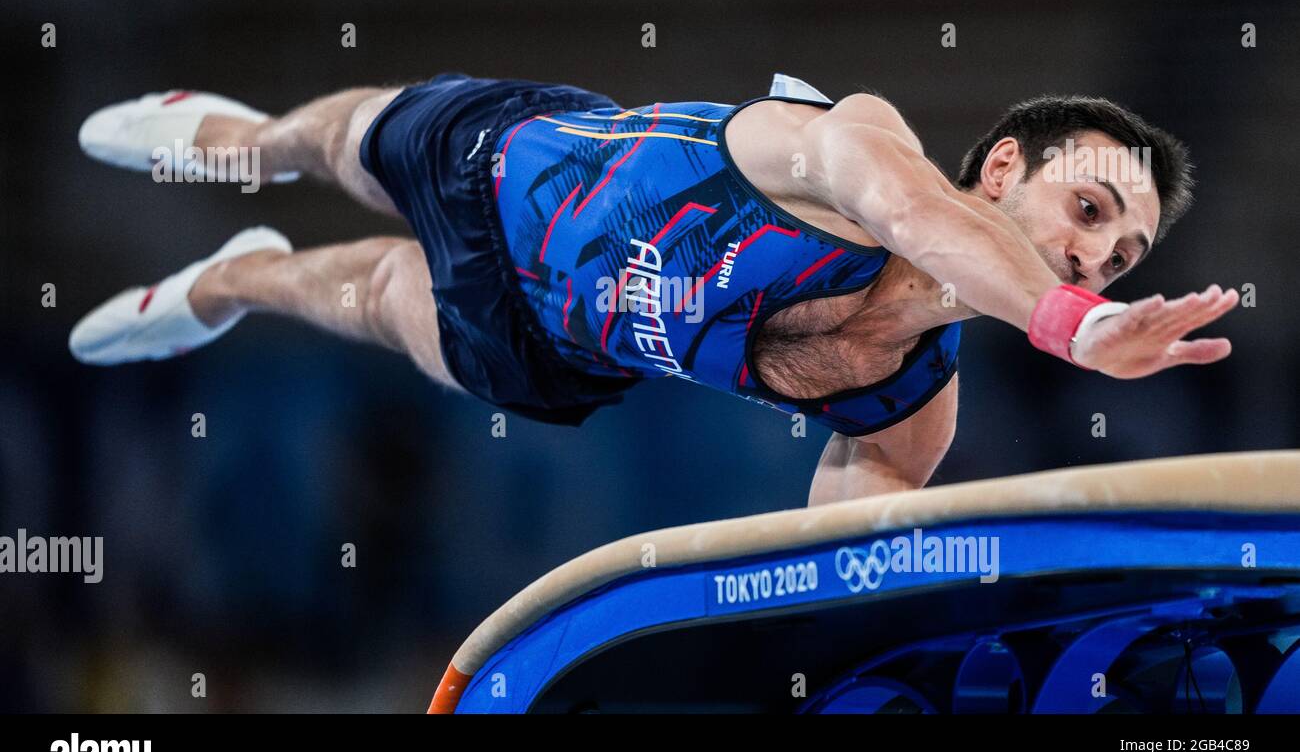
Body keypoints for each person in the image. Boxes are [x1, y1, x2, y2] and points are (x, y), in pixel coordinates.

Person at [70, 73, 1236, 505]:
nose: (1094, 259)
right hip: (514, 158)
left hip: (546, 335)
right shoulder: (866, 150)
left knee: (361, 295)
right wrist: (1077, 328)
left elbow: (820, 564)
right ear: (999, 169)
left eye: (1121, 260)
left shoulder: (912, 403)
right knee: (311, 146)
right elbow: (924, 226)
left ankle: (230, 277)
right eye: (1088, 213)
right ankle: (220, 136)